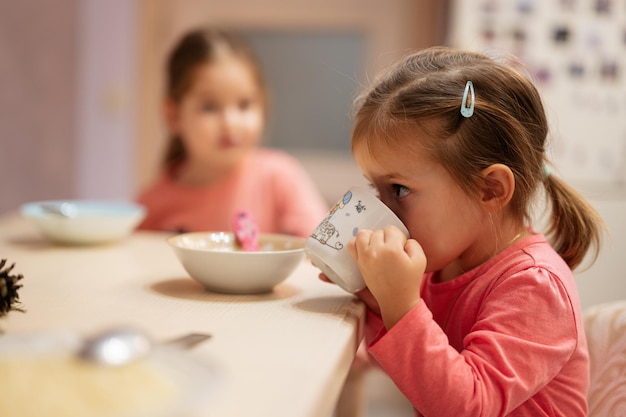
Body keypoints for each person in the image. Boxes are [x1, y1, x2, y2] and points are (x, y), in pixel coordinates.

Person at [335, 46, 605, 416]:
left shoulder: (534, 286)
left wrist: (401, 305)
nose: (382, 209)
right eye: (375, 189)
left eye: (398, 190)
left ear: (490, 189)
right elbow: (420, 376)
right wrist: (377, 299)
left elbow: (466, 406)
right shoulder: (443, 262)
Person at [137, 28, 328, 237]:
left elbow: (324, 253)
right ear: (174, 115)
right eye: (209, 107)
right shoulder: (150, 207)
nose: (230, 123)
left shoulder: (280, 178)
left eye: (244, 104)